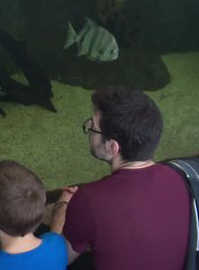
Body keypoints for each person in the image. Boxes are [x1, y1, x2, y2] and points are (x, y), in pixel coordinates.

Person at [49, 85, 191, 270]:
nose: (90, 128)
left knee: (38, 237)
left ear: (112, 147)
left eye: (93, 126)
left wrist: (62, 208)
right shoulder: (181, 176)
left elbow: (58, 259)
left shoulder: (89, 199)